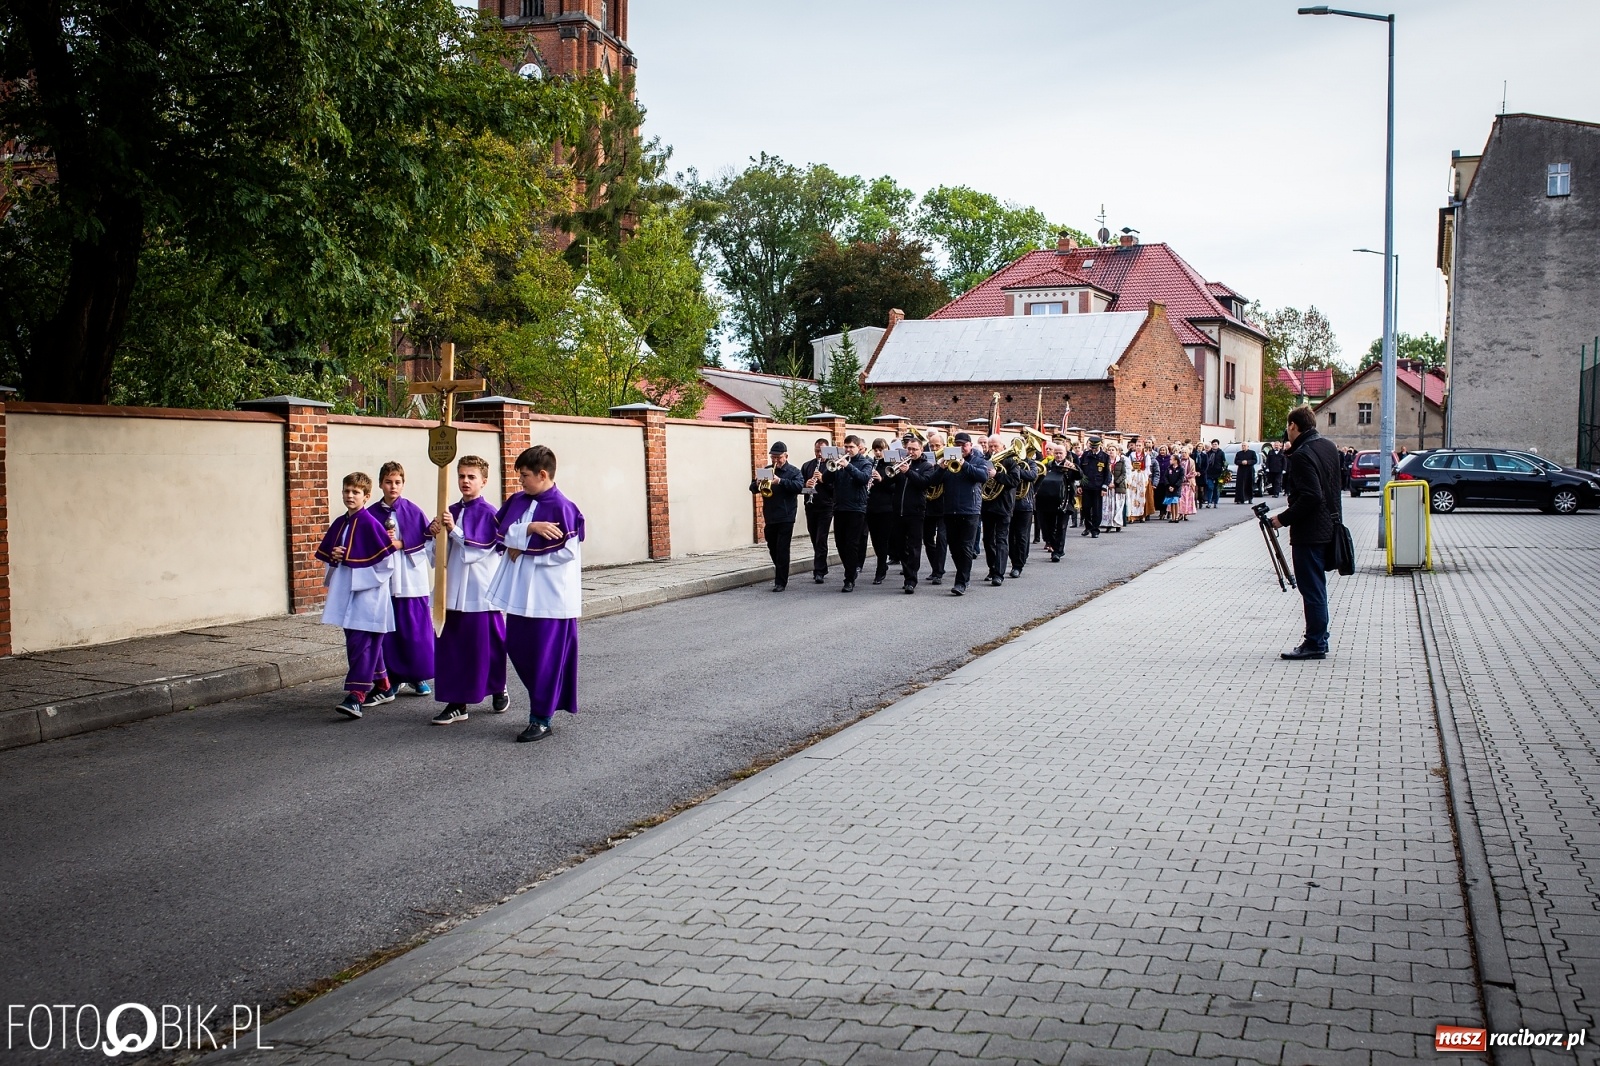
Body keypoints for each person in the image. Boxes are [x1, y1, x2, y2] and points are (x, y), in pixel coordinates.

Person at [486, 445, 585, 743]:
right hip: (520, 594)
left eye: (525, 476)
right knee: (516, 647)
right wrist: (531, 528)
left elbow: (565, 552)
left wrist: (524, 547)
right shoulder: (518, 500)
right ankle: (544, 702)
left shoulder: (564, 507)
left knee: (545, 659)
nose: (521, 482)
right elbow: (500, 532)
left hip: (550, 598)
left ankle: (540, 718)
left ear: (543, 475)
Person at [427, 455, 508, 726]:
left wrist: (455, 530)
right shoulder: (448, 509)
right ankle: (457, 703)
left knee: (488, 645)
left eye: (471, 476)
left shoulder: (489, 513)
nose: (465, 481)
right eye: (461, 475)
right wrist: (434, 533)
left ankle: (498, 686)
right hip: (451, 590)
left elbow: (480, 549)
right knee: (453, 648)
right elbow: (436, 556)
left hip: (478, 589)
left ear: (483, 481)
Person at [317, 472, 401, 719]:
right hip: (346, 592)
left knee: (361, 643)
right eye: (347, 491)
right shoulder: (340, 523)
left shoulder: (371, 524)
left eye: (355, 492)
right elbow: (331, 558)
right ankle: (383, 683)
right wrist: (335, 557)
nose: (350, 496)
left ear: (366, 496)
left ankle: (356, 695)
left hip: (369, 596)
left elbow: (386, 565)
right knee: (356, 640)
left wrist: (356, 566)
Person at [1270, 406, 1343, 660]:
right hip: (1330, 526)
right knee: (1317, 588)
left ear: (1293, 426)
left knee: (1311, 588)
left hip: (1310, 531)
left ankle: (1315, 642)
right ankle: (1319, 638)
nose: (1287, 432)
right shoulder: (1328, 446)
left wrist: (1283, 519)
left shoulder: (1302, 454)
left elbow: (1312, 495)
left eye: (1287, 427)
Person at [369, 462, 434, 698]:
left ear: (403, 484)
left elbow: (426, 539)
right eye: (388, 482)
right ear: (380, 484)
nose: (393, 486)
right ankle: (393, 677)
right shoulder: (372, 514)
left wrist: (401, 543)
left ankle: (418, 676)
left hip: (409, 577)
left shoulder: (413, 511)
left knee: (414, 630)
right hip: (385, 579)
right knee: (390, 631)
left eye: (397, 482)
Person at [931, 433, 992, 595]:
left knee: (966, 547)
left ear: (970, 446)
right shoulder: (947, 461)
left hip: (970, 510)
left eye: (964, 445)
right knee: (954, 547)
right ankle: (963, 575)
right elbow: (933, 481)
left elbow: (982, 476)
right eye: (958, 445)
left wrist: (963, 464)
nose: (961, 448)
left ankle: (961, 582)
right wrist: (941, 468)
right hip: (950, 510)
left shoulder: (979, 461)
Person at [750, 441, 805, 591]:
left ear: (786, 456)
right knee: (772, 546)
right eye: (773, 457)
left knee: (782, 548)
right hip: (770, 515)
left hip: (787, 515)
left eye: (778, 457)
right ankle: (781, 568)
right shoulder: (767, 470)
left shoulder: (794, 471)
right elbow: (752, 488)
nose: (775, 460)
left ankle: (780, 582)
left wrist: (780, 481)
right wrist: (757, 483)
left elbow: (799, 487)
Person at [824, 435, 873, 592]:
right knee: (840, 543)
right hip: (839, 508)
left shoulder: (865, 463)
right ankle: (851, 569)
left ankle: (849, 578)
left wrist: (848, 466)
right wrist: (832, 468)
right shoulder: (839, 463)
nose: (847, 450)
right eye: (846, 447)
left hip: (856, 509)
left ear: (858, 448)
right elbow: (826, 479)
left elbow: (863, 479)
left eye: (851, 447)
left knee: (852, 544)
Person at [889, 435, 937, 592]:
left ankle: (911, 580)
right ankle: (907, 574)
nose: (911, 452)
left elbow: (924, 483)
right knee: (900, 546)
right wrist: (893, 470)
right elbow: (888, 481)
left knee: (914, 547)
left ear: (921, 450)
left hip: (916, 512)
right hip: (898, 511)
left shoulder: (926, 466)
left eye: (914, 449)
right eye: (908, 449)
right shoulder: (902, 463)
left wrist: (908, 471)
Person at [979, 435, 1019, 585]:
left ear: (1003, 446)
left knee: (1001, 539)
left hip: (1003, 505)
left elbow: (1014, 481)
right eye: (990, 446)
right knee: (988, 539)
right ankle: (992, 568)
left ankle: (999, 574)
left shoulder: (1010, 461)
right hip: (987, 505)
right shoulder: (984, 461)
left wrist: (997, 475)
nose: (993, 449)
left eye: (996, 446)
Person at [800, 438, 835, 584]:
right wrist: (806, 485)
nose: (819, 454)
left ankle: (819, 571)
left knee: (821, 538)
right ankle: (822, 566)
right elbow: (800, 488)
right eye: (816, 451)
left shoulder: (832, 466)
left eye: (821, 451)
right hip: (811, 506)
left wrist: (823, 480)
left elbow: (835, 489)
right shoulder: (807, 466)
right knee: (815, 538)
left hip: (826, 507)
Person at [866, 438, 899, 585]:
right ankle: (882, 564)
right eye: (876, 450)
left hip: (887, 507)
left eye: (881, 450)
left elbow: (894, 488)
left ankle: (880, 568)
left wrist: (881, 480)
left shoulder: (891, 466)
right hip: (871, 506)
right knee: (874, 539)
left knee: (883, 539)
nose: (878, 453)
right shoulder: (871, 464)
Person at [921, 430, 949, 585]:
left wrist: (940, 468)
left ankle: (939, 571)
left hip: (944, 505)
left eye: (937, 446)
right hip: (928, 504)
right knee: (928, 539)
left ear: (943, 446)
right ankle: (935, 568)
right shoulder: (926, 461)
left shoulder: (948, 461)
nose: (934, 449)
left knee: (942, 539)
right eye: (931, 446)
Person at [1008, 446, 1039, 577]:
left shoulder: (1030, 462)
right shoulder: (1008, 461)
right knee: (1009, 536)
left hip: (1024, 504)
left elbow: (1033, 475)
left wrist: (1016, 470)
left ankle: (1018, 565)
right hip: (1009, 503)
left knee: (1021, 536)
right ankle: (1012, 560)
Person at [1034, 444, 1069, 561]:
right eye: (1056, 453)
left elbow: (1079, 476)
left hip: (1064, 500)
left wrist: (1073, 467)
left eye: (1061, 453)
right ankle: (1054, 546)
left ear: (1065, 454)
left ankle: (1057, 552)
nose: (1058, 455)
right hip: (1047, 501)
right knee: (1047, 527)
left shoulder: (1069, 465)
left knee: (1061, 527)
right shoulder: (1047, 465)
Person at [1078, 436, 1110, 538]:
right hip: (1086, 486)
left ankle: (1095, 529)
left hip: (1098, 487)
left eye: (1095, 447)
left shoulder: (1104, 456)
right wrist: (1079, 485)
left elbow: (1107, 474)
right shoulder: (1085, 455)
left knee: (1096, 510)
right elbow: (1080, 471)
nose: (1093, 449)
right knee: (1086, 509)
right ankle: (1088, 527)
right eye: (1092, 447)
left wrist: (1104, 487)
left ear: (1099, 445)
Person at [1102, 444, 1127, 533]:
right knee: (1108, 506)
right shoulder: (1105, 461)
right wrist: (1106, 483)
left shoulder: (1121, 461)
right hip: (1108, 487)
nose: (1111, 452)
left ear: (1117, 452)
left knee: (1117, 506)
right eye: (1109, 450)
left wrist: (1115, 483)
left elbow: (1123, 474)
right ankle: (1108, 524)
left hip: (1118, 487)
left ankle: (1117, 524)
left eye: (1113, 450)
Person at [1126, 443, 1150, 524]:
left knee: (1141, 495)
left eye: (1140, 446)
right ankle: (1132, 515)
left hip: (1142, 476)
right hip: (1134, 475)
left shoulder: (1146, 455)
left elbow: (1147, 468)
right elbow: (1129, 466)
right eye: (1137, 446)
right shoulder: (1132, 455)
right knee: (1132, 495)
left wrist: (1146, 478)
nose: (1138, 447)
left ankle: (1141, 515)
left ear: (1143, 447)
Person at [1204, 440, 1227, 508]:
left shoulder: (1221, 453)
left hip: (1218, 473)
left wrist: (1224, 470)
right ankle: (1209, 502)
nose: (1214, 445)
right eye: (1213, 444)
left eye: (1215, 444)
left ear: (1218, 445)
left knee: (1217, 488)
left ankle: (1215, 502)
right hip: (1209, 473)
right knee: (1210, 487)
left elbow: (1224, 462)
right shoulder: (1208, 453)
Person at [1178, 447, 1198, 520]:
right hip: (1180, 483)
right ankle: (1180, 513)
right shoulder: (1179, 461)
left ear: (1188, 453)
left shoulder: (1191, 461)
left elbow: (1192, 472)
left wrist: (1186, 477)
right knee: (1181, 499)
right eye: (1182, 452)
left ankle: (1186, 514)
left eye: (1185, 452)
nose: (1183, 454)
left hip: (1188, 483)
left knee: (1187, 499)